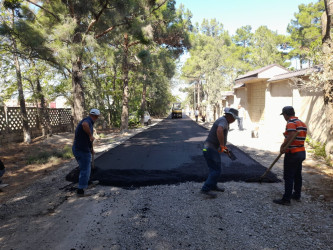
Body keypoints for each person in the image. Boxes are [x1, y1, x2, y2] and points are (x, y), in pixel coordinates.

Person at [200, 108, 239, 198]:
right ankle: (205, 189)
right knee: (216, 170)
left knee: (213, 169)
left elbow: (221, 140)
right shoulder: (223, 121)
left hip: (208, 148)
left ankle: (213, 185)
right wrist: (222, 145)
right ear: (230, 116)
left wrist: (226, 150)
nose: (234, 120)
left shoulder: (225, 121)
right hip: (210, 148)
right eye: (234, 118)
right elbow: (219, 130)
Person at [273, 106, 307, 206]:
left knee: (288, 176)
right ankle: (297, 195)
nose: (283, 116)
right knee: (297, 175)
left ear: (286, 114)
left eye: (283, 114)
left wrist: (282, 146)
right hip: (301, 152)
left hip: (293, 153)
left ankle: (286, 199)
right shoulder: (302, 123)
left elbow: (291, 135)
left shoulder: (291, 123)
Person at [72, 108, 100, 197]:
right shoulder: (87, 121)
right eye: (97, 117)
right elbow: (84, 125)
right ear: (96, 116)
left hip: (82, 148)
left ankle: (88, 182)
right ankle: (81, 191)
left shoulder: (89, 121)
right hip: (81, 150)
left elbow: (85, 139)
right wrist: (91, 135)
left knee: (85, 168)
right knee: (85, 169)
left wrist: (91, 149)